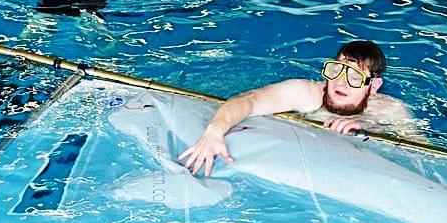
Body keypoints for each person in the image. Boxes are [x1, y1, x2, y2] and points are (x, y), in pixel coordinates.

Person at [178, 39, 415, 178]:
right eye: (336, 71)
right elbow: (248, 100)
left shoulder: (389, 111)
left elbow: (418, 152)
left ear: (373, 86)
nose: (340, 83)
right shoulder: (305, 94)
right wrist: (215, 131)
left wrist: (368, 130)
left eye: (354, 77)